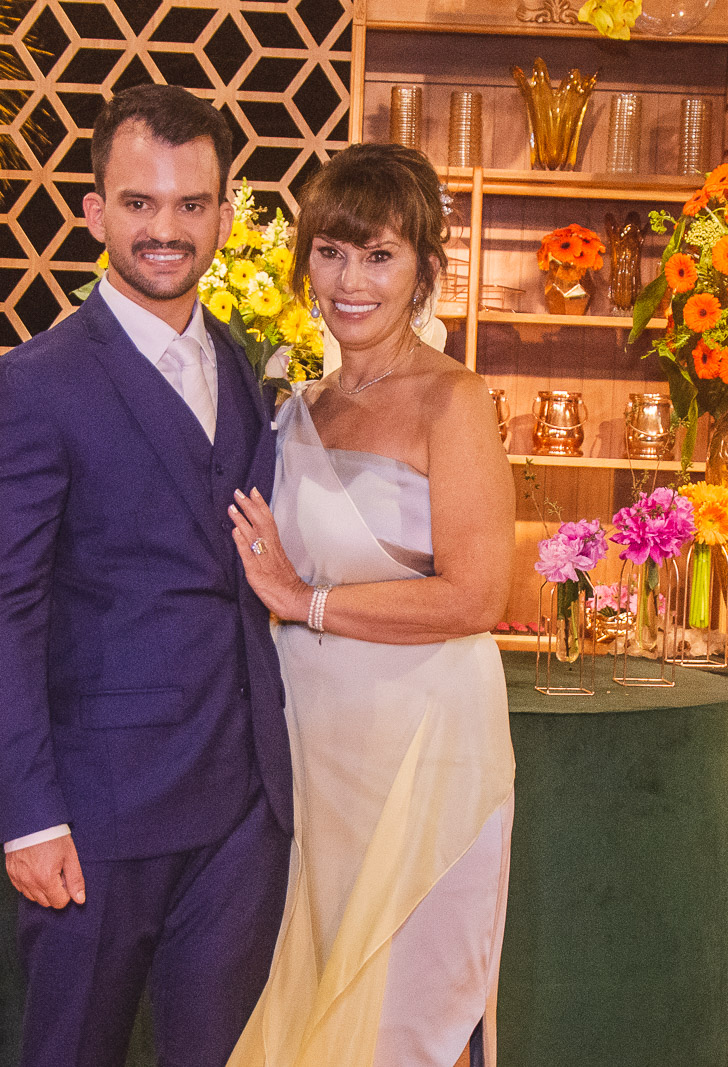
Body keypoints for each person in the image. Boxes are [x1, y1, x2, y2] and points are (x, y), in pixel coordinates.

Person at [0, 84, 293, 1067]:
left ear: (223, 217)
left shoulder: (242, 364)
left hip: (241, 812)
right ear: (94, 211)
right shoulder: (32, 384)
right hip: (97, 811)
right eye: (139, 202)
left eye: (191, 204)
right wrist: (29, 815)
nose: (165, 229)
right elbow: (4, 605)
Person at [225, 143, 517, 1067]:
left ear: (424, 269)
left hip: (426, 743)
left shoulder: (452, 398)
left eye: (379, 256)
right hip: (316, 748)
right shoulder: (295, 407)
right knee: (313, 995)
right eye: (331, 252)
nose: (351, 281)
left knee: (410, 1011)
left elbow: (477, 595)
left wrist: (301, 598)